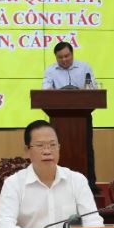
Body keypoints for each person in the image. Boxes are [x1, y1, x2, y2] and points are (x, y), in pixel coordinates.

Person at [0, 120, 103, 228]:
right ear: (27, 151)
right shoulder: (14, 184)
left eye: (52, 145)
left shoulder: (77, 180)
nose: (47, 151)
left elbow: (93, 221)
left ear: (59, 148)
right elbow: (2, 225)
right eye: (40, 145)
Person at [42, 41, 99, 191]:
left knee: (87, 149)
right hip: (58, 117)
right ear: (56, 57)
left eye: (67, 56)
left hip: (82, 115)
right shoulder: (50, 71)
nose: (64, 60)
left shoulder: (84, 67)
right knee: (58, 149)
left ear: (72, 54)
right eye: (60, 57)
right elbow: (46, 91)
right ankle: (58, 184)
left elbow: (93, 89)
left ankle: (90, 184)